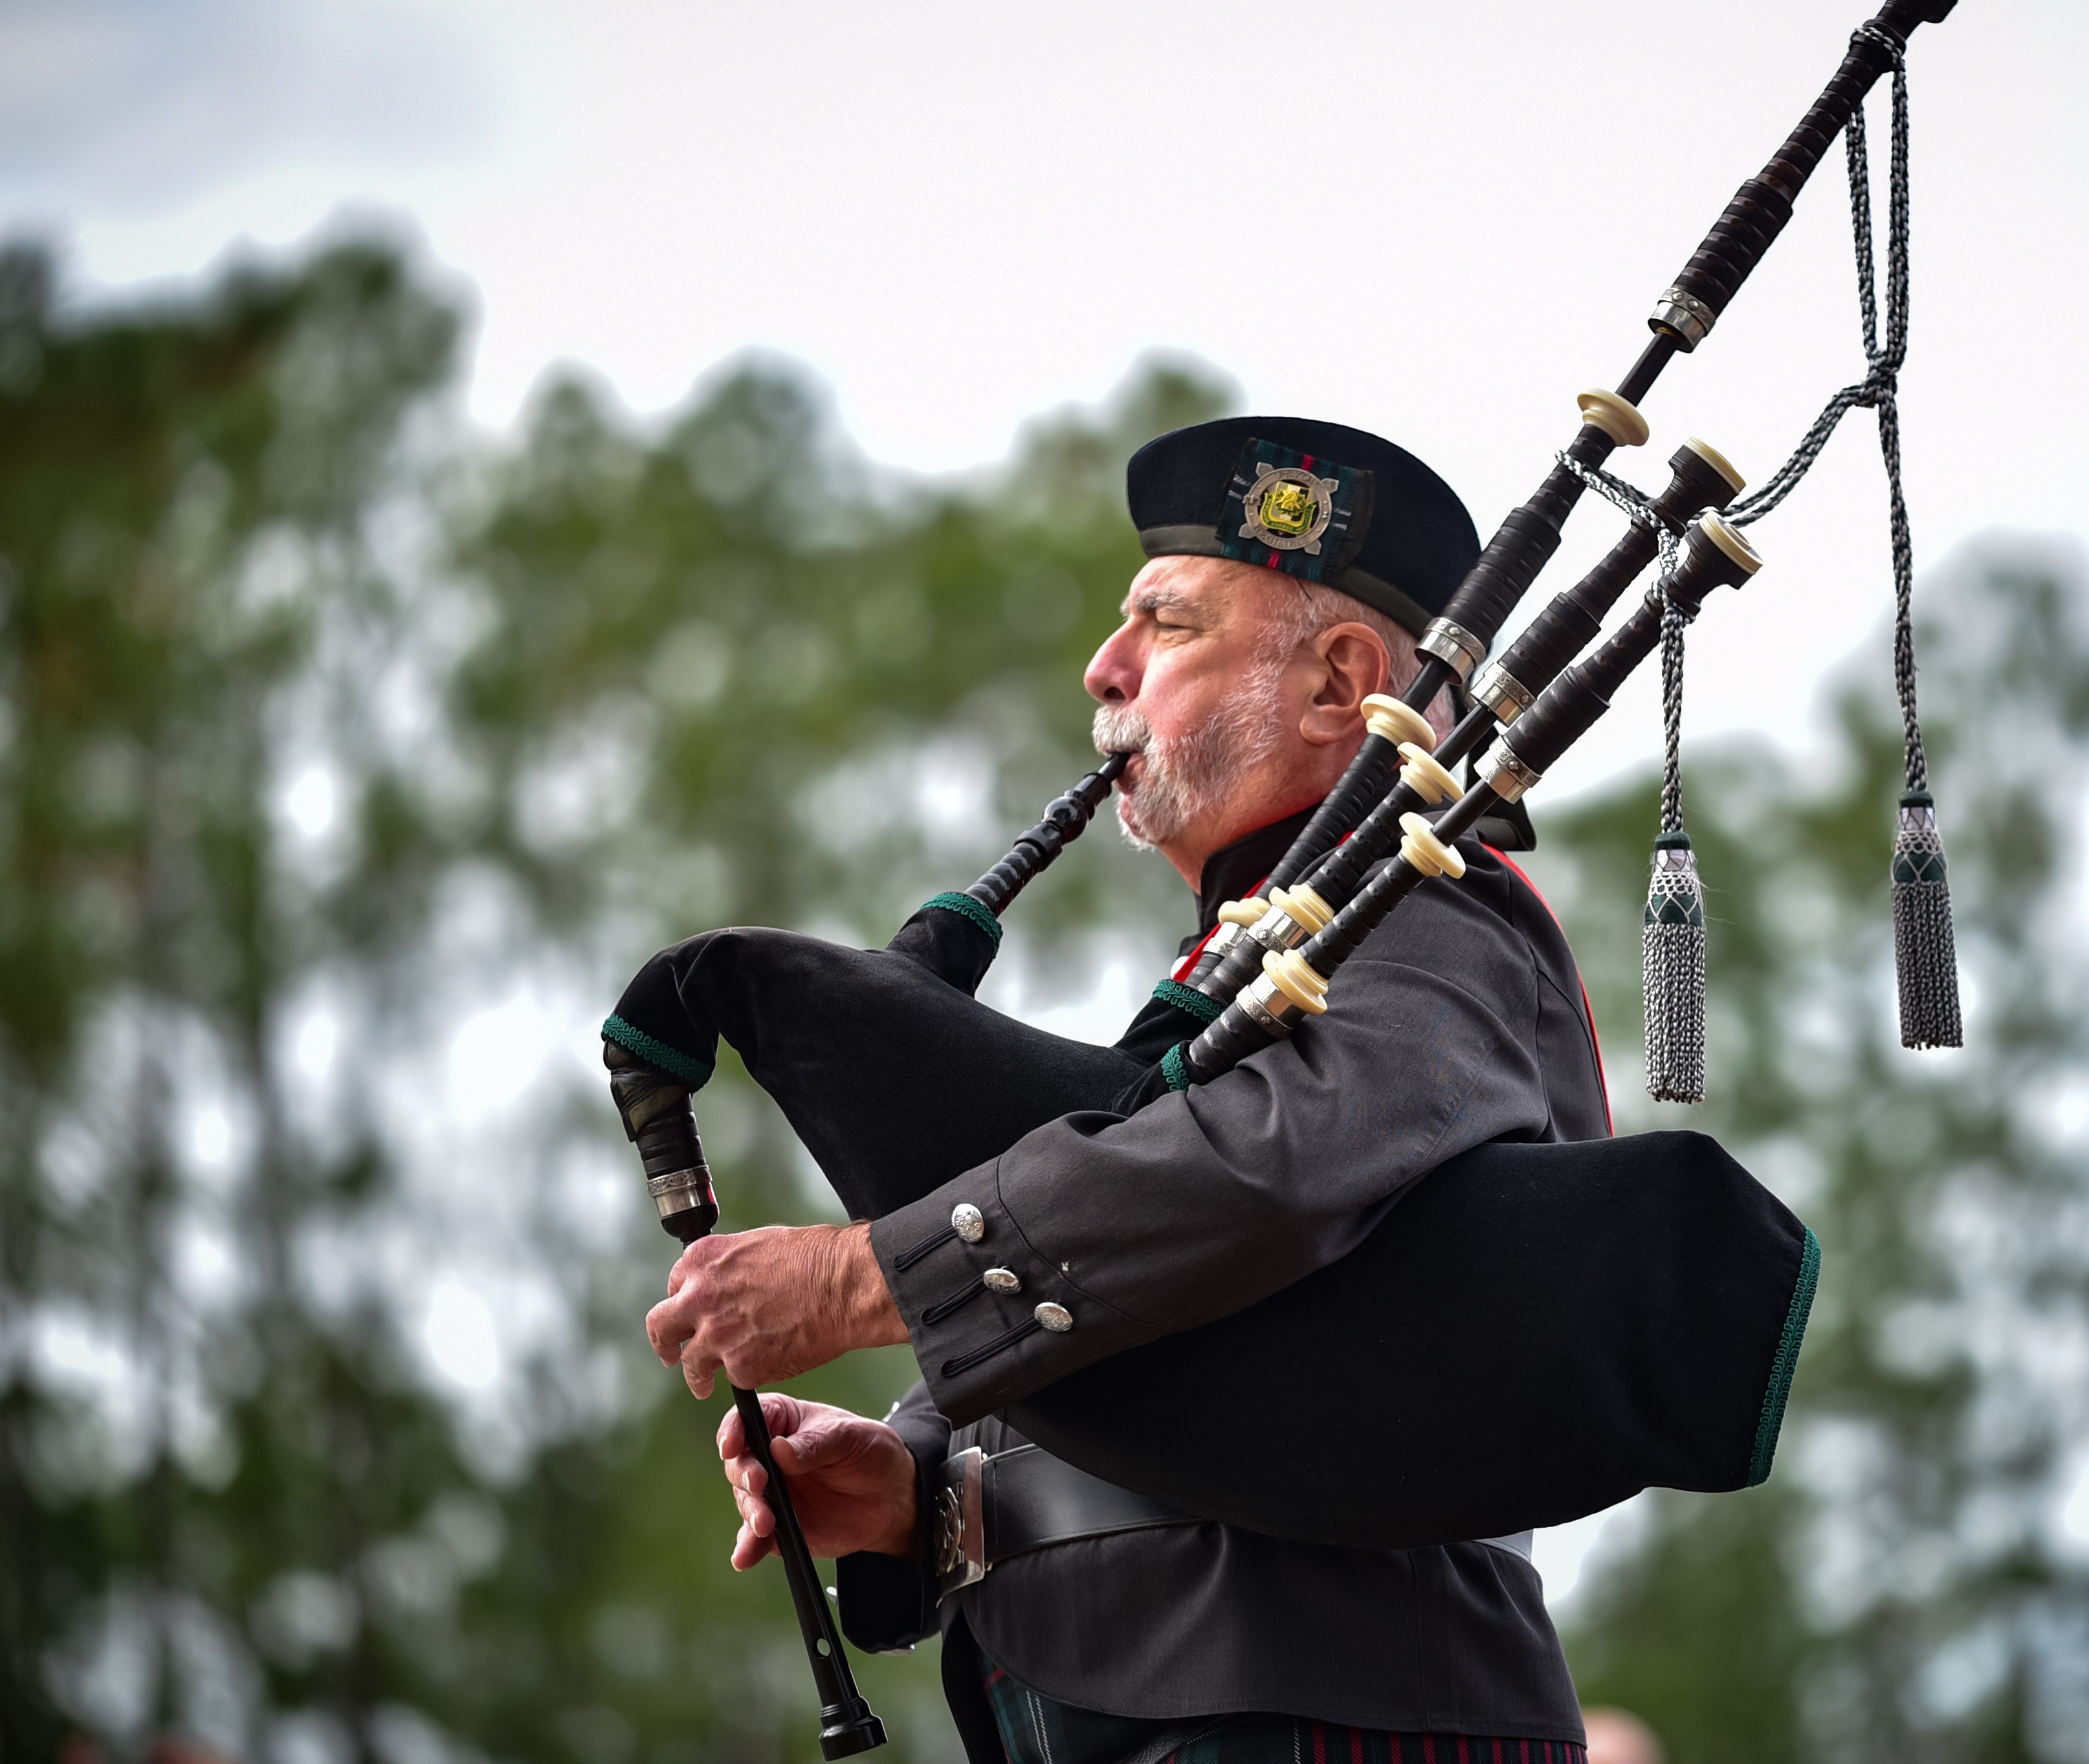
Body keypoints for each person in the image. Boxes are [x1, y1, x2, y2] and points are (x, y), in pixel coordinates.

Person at [637, 417, 1611, 1764]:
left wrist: (865, 1277)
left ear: (1343, 684)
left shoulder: (1439, 921)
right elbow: (1192, 1336)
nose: (1104, 669)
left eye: (1165, 622)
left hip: (1330, 1719)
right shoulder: (1259, 959)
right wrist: (922, 1486)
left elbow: (1266, 1171)